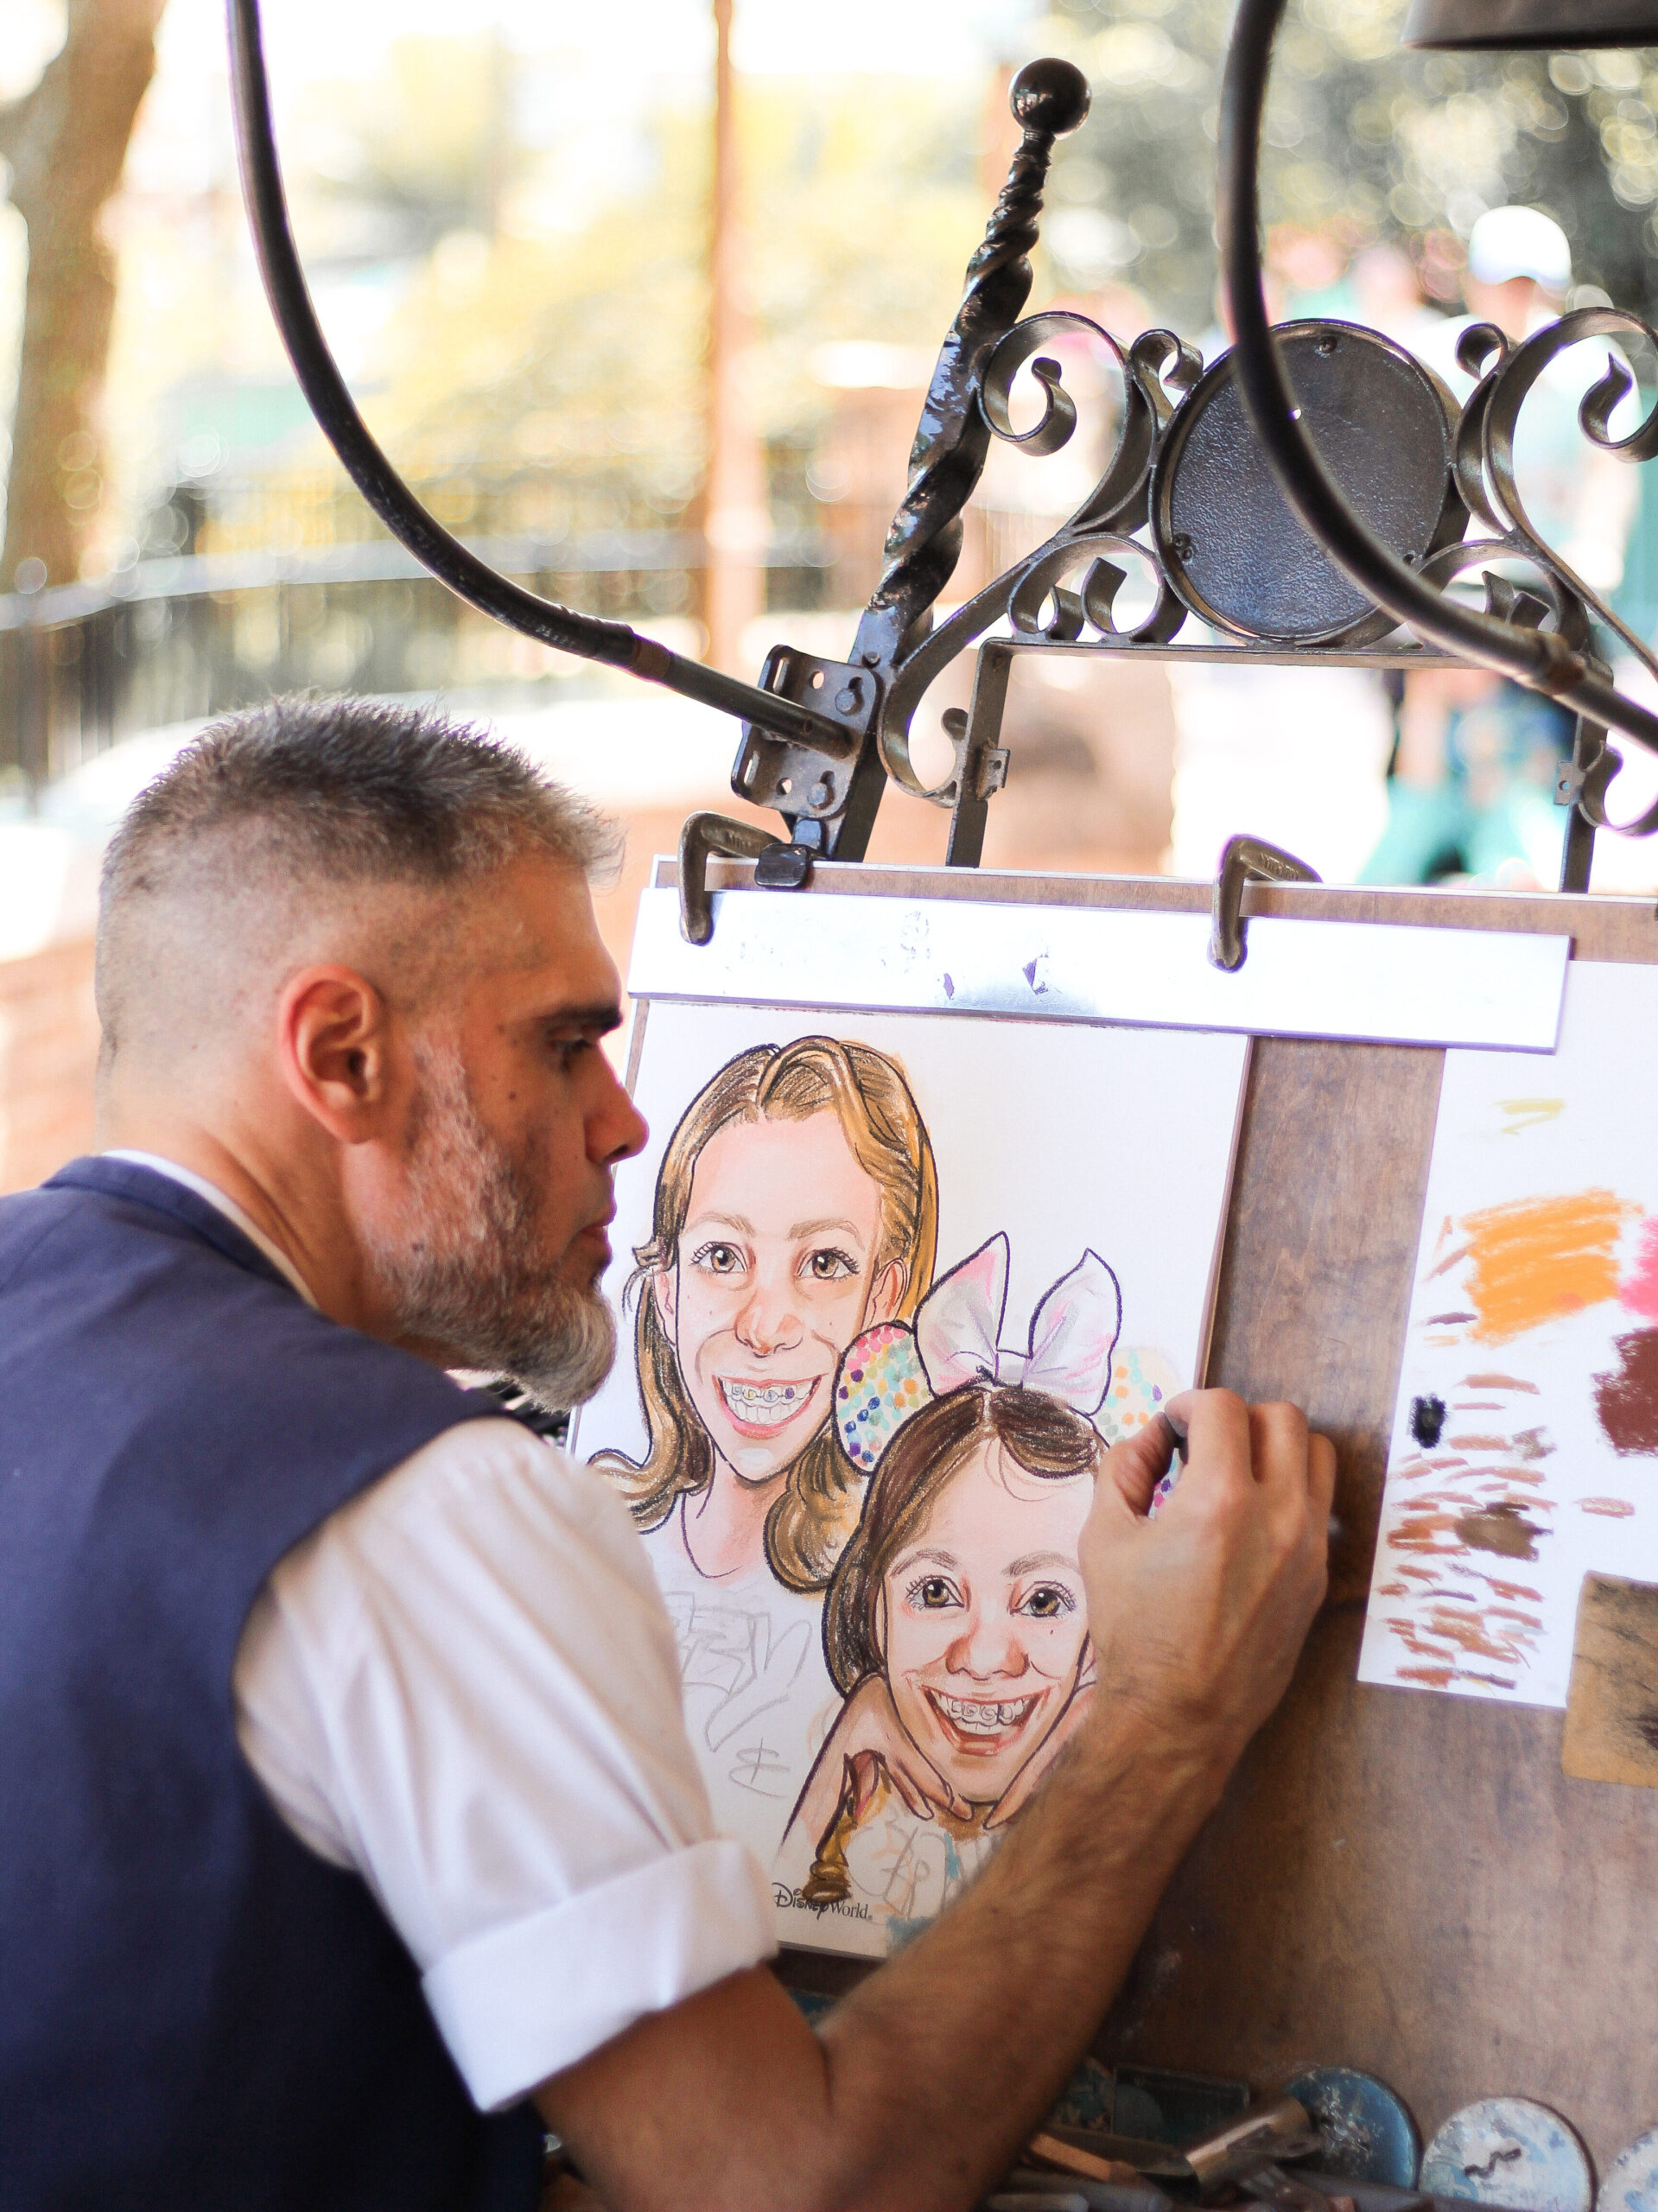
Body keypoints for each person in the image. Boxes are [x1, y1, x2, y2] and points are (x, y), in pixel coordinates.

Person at [0, 695, 1334, 2212]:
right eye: (562, 1044)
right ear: (340, 1053)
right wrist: (1165, 1713)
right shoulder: (414, 1507)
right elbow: (791, 2189)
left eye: (828, 1266)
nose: (625, 1122)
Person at [588, 1035, 937, 1850]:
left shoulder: (910, 1610)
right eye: (721, 1257)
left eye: (823, 1263)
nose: (763, 1325)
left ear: (882, 1298)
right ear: (667, 1287)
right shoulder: (585, 1548)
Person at [777, 1237, 1115, 1945]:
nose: (986, 1657)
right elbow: (770, 1930)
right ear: (872, 1604)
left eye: (1045, 1602)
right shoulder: (841, 1771)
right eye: (934, 1592)